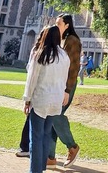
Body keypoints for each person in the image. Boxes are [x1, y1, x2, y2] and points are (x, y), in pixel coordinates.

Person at [17, 14, 81, 170]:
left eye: (59, 23)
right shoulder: (60, 50)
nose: (56, 25)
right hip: (55, 95)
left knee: (43, 129)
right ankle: (49, 158)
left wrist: (66, 90)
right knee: (47, 129)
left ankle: (69, 147)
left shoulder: (69, 43)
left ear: (67, 25)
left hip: (52, 94)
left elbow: (72, 70)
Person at [23, 25, 69, 173]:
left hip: (41, 99)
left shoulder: (41, 54)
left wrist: (27, 99)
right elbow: (64, 79)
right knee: (46, 135)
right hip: (55, 101)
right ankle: (40, 167)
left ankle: (35, 170)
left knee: (35, 137)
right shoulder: (64, 56)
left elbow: (32, 80)